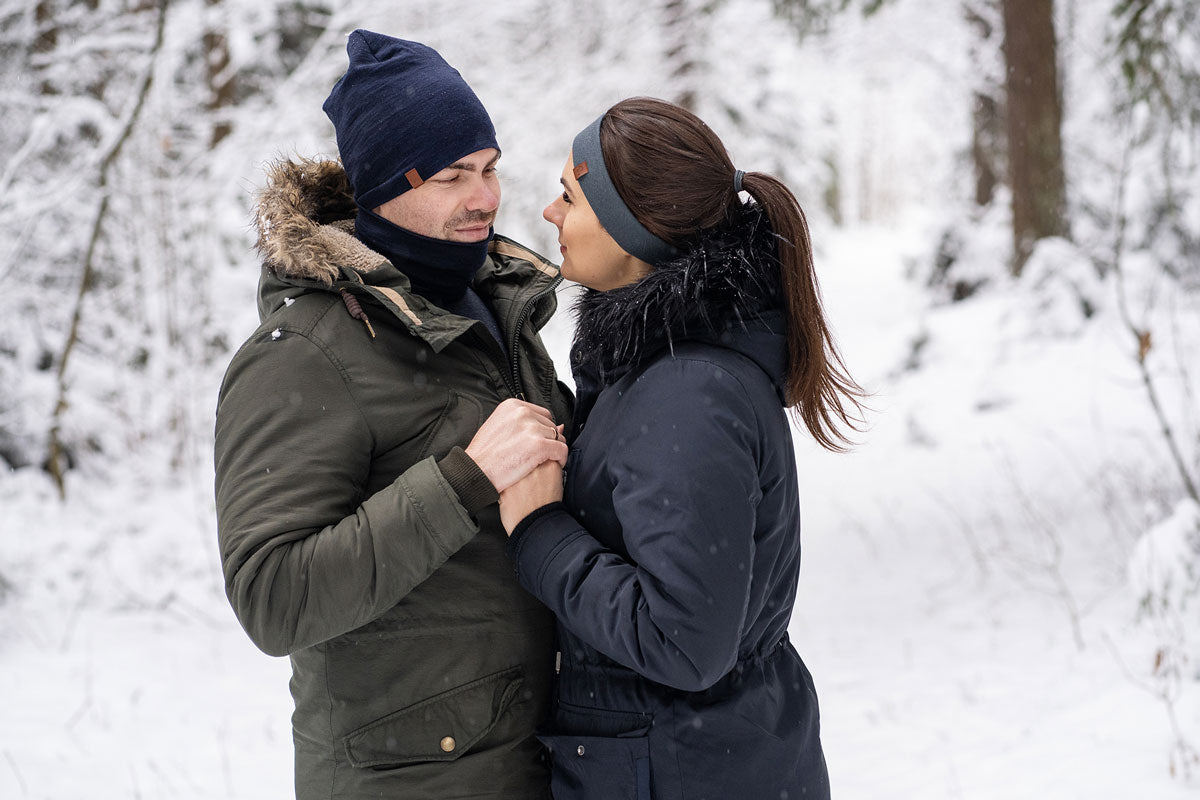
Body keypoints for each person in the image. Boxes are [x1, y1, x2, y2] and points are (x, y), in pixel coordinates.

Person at [213, 30, 571, 800]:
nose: (484, 197)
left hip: (530, 761)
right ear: (378, 187)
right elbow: (273, 597)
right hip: (408, 780)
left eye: (488, 169)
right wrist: (463, 478)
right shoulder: (304, 351)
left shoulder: (496, 308)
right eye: (450, 175)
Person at [497, 97, 864, 800]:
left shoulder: (688, 391)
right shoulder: (663, 367)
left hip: (682, 769)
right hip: (699, 759)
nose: (549, 212)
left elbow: (684, 642)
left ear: (635, 229)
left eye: (569, 195)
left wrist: (540, 534)